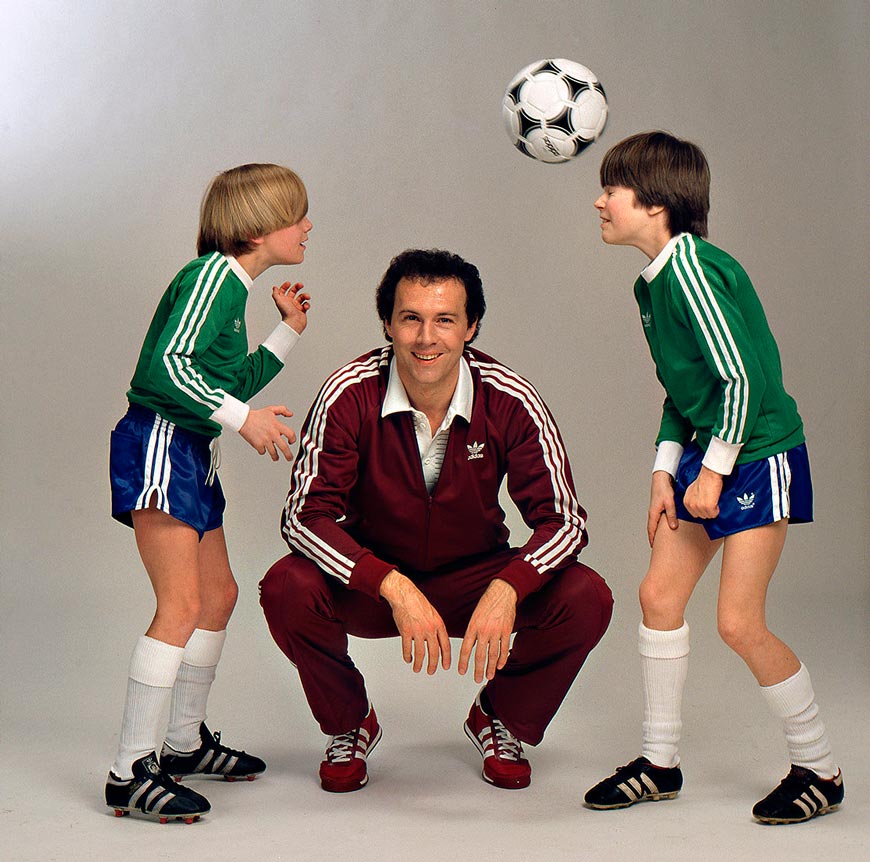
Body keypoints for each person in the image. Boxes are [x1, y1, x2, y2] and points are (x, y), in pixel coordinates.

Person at [260, 248, 612, 793]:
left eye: (445, 319)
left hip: (476, 578)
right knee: (287, 585)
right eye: (411, 318)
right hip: (375, 580)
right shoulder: (349, 392)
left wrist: (507, 589)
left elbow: (564, 520)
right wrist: (391, 585)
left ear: (471, 327)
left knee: (586, 594)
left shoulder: (510, 398)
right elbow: (305, 517)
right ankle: (350, 723)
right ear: (388, 324)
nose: (427, 338)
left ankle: (499, 717)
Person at [584, 131, 843, 824]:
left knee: (737, 622)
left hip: (758, 453)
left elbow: (743, 380)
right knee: (659, 597)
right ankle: (659, 764)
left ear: (657, 202)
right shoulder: (657, 279)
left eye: (613, 188)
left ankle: (820, 769)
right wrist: (665, 471)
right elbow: (684, 390)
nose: (599, 200)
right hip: (713, 449)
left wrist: (718, 470)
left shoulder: (693, 268)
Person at [105, 163, 313, 823]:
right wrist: (242, 419)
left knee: (218, 595)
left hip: (192, 450)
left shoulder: (237, 291)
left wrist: (286, 333)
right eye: (296, 216)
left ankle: (185, 742)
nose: (308, 227)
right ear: (256, 230)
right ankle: (128, 771)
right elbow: (166, 369)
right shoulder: (212, 278)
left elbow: (230, 381)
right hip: (162, 443)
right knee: (182, 604)